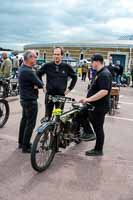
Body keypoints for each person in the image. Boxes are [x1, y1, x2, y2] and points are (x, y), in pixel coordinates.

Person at [72, 54, 112, 156]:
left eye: (92, 62)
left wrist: (88, 99)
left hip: (99, 107)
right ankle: (88, 132)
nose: (91, 64)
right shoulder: (99, 72)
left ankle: (98, 149)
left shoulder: (104, 74)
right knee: (79, 114)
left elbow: (104, 91)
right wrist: (86, 99)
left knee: (98, 128)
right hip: (92, 104)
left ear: (97, 62)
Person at [37, 47, 77, 121]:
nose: (56, 56)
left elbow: (74, 77)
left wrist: (69, 89)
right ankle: (46, 131)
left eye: (58, 54)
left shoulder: (66, 67)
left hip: (60, 97)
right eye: (55, 54)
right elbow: (38, 74)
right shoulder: (47, 65)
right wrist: (42, 85)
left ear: (62, 55)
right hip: (50, 96)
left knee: (58, 117)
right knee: (48, 117)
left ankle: (56, 131)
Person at [18, 50, 44, 153]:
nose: (36, 59)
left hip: (24, 99)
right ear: (29, 58)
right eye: (35, 57)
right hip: (30, 100)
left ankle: (21, 142)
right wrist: (36, 85)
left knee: (24, 121)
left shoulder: (23, 68)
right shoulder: (29, 71)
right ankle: (26, 146)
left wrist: (35, 85)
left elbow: (36, 84)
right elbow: (40, 84)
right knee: (30, 124)